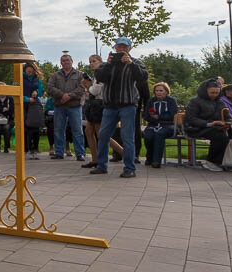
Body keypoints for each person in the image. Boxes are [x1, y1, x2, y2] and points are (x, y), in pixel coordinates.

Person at [92, 38, 148, 178]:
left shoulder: (136, 63)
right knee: (103, 136)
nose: (121, 49)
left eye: (124, 46)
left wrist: (130, 64)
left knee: (127, 137)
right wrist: (110, 64)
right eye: (119, 46)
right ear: (115, 47)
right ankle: (102, 166)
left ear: (129, 48)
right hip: (110, 106)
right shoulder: (107, 64)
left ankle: (130, 168)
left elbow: (142, 78)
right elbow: (100, 77)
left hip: (128, 105)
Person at [183, 79, 232, 171]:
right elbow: (191, 119)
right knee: (220, 136)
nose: (214, 95)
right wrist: (209, 123)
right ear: (205, 91)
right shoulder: (194, 101)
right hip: (196, 128)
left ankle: (229, 161)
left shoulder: (220, 102)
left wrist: (228, 123)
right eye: (212, 92)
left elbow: (227, 115)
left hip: (215, 128)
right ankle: (212, 161)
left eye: (217, 92)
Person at [47, 54, 86, 160]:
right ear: (60, 63)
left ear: (72, 61)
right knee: (58, 130)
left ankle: (80, 154)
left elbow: (82, 87)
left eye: (67, 60)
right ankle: (59, 153)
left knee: (77, 131)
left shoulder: (80, 75)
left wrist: (69, 96)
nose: (65, 62)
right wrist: (61, 95)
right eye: (63, 61)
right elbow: (50, 88)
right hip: (59, 106)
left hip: (75, 106)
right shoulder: (55, 75)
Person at [142, 82, 178, 168]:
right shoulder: (151, 101)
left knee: (159, 134)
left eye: (161, 90)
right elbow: (146, 115)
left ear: (166, 91)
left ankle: (156, 161)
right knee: (148, 136)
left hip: (168, 125)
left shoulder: (171, 101)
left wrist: (158, 117)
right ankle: (149, 158)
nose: (158, 92)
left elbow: (172, 115)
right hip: (153, 124)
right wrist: (154, 119)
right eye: (156, 90)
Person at [24, 90, 45, 160]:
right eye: (33, 92)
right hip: (29, 123)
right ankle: (30, 151)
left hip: (37, 123)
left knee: (36, 137)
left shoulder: (38, 101)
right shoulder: (27, 101)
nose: (34, 93)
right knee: (29, 137)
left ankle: (35, 150)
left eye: (35, 92)